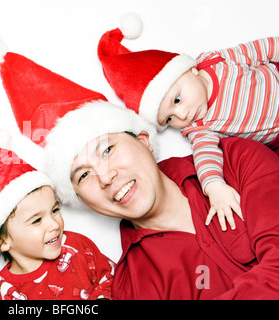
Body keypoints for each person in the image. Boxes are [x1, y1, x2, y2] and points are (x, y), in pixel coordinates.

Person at [0, 36, 279, 299]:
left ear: (144, 140)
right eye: (84, 175)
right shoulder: (135, 284)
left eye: (107, 149)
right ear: (81, 200)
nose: (105, 177)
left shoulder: (237, 161)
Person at [97, 13, 279, 231]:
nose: (182, 115)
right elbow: (206, 157)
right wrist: (214, 186)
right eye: (169, 118)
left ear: (191, 70)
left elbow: (263, 49)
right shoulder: (199, 126)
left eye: (177, 99)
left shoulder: (217, 61)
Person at [0, 135, 115, 300]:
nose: (54, 224)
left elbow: (112, 279)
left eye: (54, 210)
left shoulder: (77, 247)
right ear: (2, 242)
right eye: (36, 220)